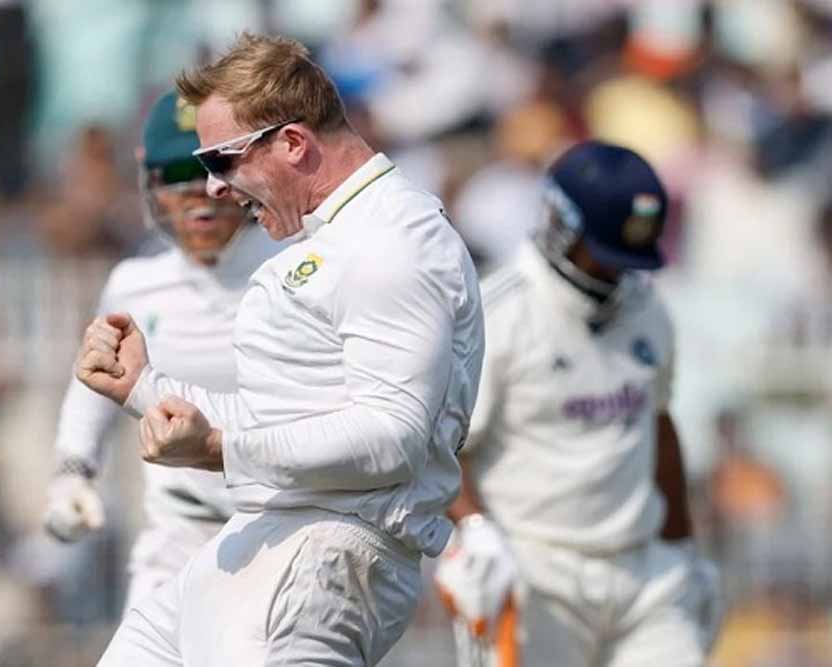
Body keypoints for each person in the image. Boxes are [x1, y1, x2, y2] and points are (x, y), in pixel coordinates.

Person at [75, 32, 484, 666]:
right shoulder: (341, 235)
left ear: (293, 143)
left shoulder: (391, 240)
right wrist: (144, 387)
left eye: (220, 160)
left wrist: (219, 447)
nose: (213, 188)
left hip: (325, 558)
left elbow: (392, 438)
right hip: (258, 541)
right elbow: (283, 420)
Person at [434, 141, 724, 667]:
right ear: (561, 226)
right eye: (606, 257)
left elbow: (658, 427)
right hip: (535, 570)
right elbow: (444, 446)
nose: (617, 275)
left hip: (645, 573)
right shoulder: (499, 313)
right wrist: (474, 530)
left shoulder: (647, 308)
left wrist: (683, 547)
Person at [42, 90, 280, 609]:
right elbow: (94, 385)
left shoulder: (295, 266)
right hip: (178, 534)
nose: (200, 192)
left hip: (286, 530)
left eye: (213, 168)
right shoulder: (134, 284)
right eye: (178, 174)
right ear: (150, 183)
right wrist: (72, 471)